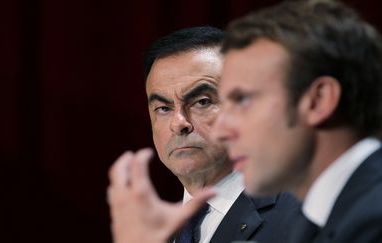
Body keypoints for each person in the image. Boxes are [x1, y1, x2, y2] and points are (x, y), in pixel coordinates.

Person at [108, 26, 299, 243]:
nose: (179, 123)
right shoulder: (155, 233)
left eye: (202, 102)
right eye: (163, 108)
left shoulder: (302, 215)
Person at [211, 0, 382, 242]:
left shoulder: (374, 221)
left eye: (242, 100)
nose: (219, 132)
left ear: (318, 100)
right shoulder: (316, 220)